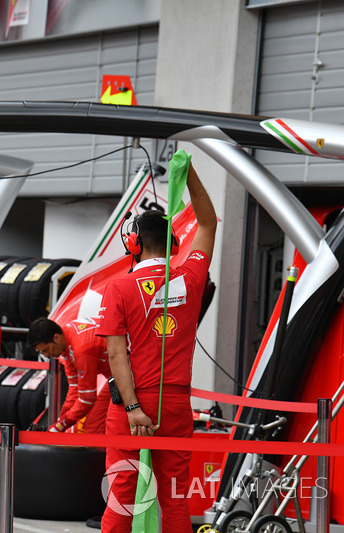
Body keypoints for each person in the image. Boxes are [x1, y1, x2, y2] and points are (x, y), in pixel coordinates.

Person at [96, 162, 216, 533]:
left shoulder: (117, 287)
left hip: (131, 403)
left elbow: (116, 355)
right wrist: (189, 173)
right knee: (176, 500)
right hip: (177, 403)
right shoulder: (192, 275)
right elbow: (209, 222)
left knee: (122, 496)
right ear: (174, 243)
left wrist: (133, 408)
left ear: (133, 244)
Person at [27, 316, 111, 434]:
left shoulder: (81, 349)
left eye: (46, 350)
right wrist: (61, 421)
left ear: (56, 338)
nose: (46, 355)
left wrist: (61, 425)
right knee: (91, 425)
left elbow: (87, 399)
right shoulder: (66, 339)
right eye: (43, 352)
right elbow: (74, 389)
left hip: (130, 375)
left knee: (93, 428)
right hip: (118, 377)